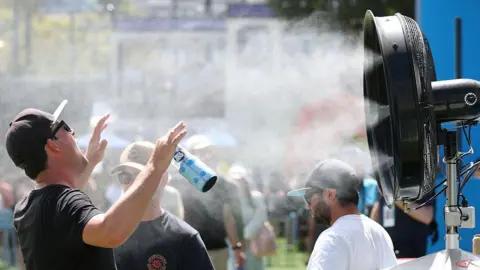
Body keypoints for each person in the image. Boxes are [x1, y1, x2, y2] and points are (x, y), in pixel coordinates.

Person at [6, 104, 186, 270]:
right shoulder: (65, 204)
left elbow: (64, 208)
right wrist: (155, 166)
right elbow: (110, 232)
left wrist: (89, 162)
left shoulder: (26, 206)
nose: (74, 133)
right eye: (66, 128)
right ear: (53, 144)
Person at [111, 141, 214, 270]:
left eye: (141, 176)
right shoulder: (105, 233)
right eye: (125, 176)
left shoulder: (185, 239)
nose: (133, 184)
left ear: (163, 178)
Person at [287, 159, 397, 270]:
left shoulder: (332, 239)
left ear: (330, 194)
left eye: (308, 197)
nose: (308, 206)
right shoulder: (379, 232)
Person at [169, 134, 246, 270]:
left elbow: (228, 217)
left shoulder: (221, 183)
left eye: (208, 151)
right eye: (201, 152)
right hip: (188, 249)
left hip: (218, 249)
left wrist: (236, 247)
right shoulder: (176, 182)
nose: (207, 156)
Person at [370, 191, 438, 258]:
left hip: (413, 255)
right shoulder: (386, 183)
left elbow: (427, 217)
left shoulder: (422, 183)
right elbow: (378, 207)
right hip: (388, 253)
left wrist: (396, 199)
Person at [227, 164, 268, 270]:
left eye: (240, 180)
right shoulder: (228, 201)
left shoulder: (256, 198)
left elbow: (260, 217)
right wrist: (236, 238)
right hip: (235, 244)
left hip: (253, 243)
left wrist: (245, 235)